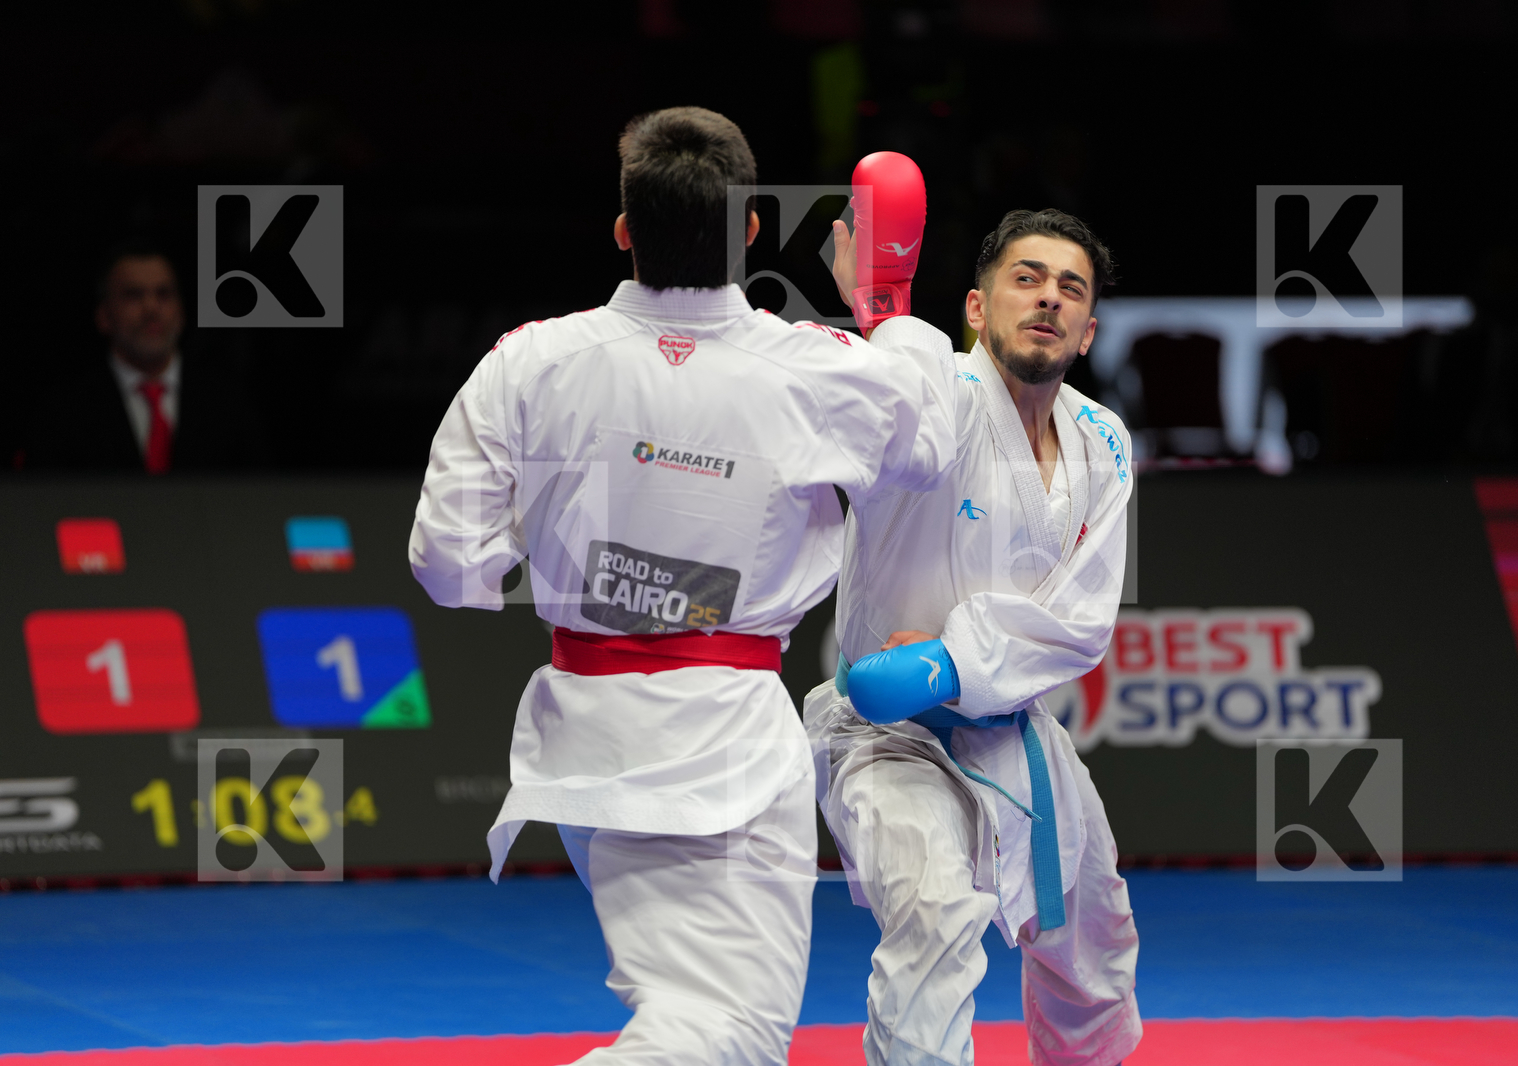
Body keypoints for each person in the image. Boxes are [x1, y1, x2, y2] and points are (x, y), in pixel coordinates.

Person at [408, 108, 957, 1065]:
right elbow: (931, 444)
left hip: (583, 735)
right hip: (724, 746)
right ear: (750, 229)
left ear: (623, 230)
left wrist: (563, 546)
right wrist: (887, 306)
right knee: (731, 1039)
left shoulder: (529, 361)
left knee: (683, 1018)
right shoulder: (814, 370)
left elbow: (449, 567)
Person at [806, 208, 1140, 1066]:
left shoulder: (1103, 439)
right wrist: (881, 315)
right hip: (888, 735)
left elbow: (1082, 621)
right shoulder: (931, 396)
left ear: (1089, 329)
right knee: (933, 924)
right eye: (1025, 279)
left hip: (1017, 734)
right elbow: (867, 406)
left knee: (1094, 955)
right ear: (976, 309)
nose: (1048, 300)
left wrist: (950, 659)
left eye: (1071, 288)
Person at [23, 245, 265, 473]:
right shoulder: (64, 411)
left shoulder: (227, 402)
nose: (151, 308)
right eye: (133, 295)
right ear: (103, 316)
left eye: (163, 294)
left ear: (181, 313)